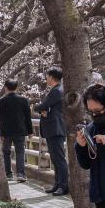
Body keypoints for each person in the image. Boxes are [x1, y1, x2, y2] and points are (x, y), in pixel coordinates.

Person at [34, 67, 69, 196]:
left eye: (47, 76)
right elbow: (46, 107)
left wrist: (40, 108)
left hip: (56, 128)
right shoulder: (56, 90)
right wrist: (44, 109)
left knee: (59, 158)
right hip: (53, 128)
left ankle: (63, 186)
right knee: (55, 158)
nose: (46, 79)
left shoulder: (57, 91)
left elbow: (42, 106)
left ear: (52, 77)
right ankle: (57, 184)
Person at [0, 80, 32, 183]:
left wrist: (1, 132)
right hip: (20, 130)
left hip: (6, 132)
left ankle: (8, 174)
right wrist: (30, 131)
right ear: (16, 88)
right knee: (20, 152)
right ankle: (21, 174)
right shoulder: (23, 100)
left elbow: (0, 119)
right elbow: (27, 117)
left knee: (6, 152)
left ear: (5, 87)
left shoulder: (1, 101)